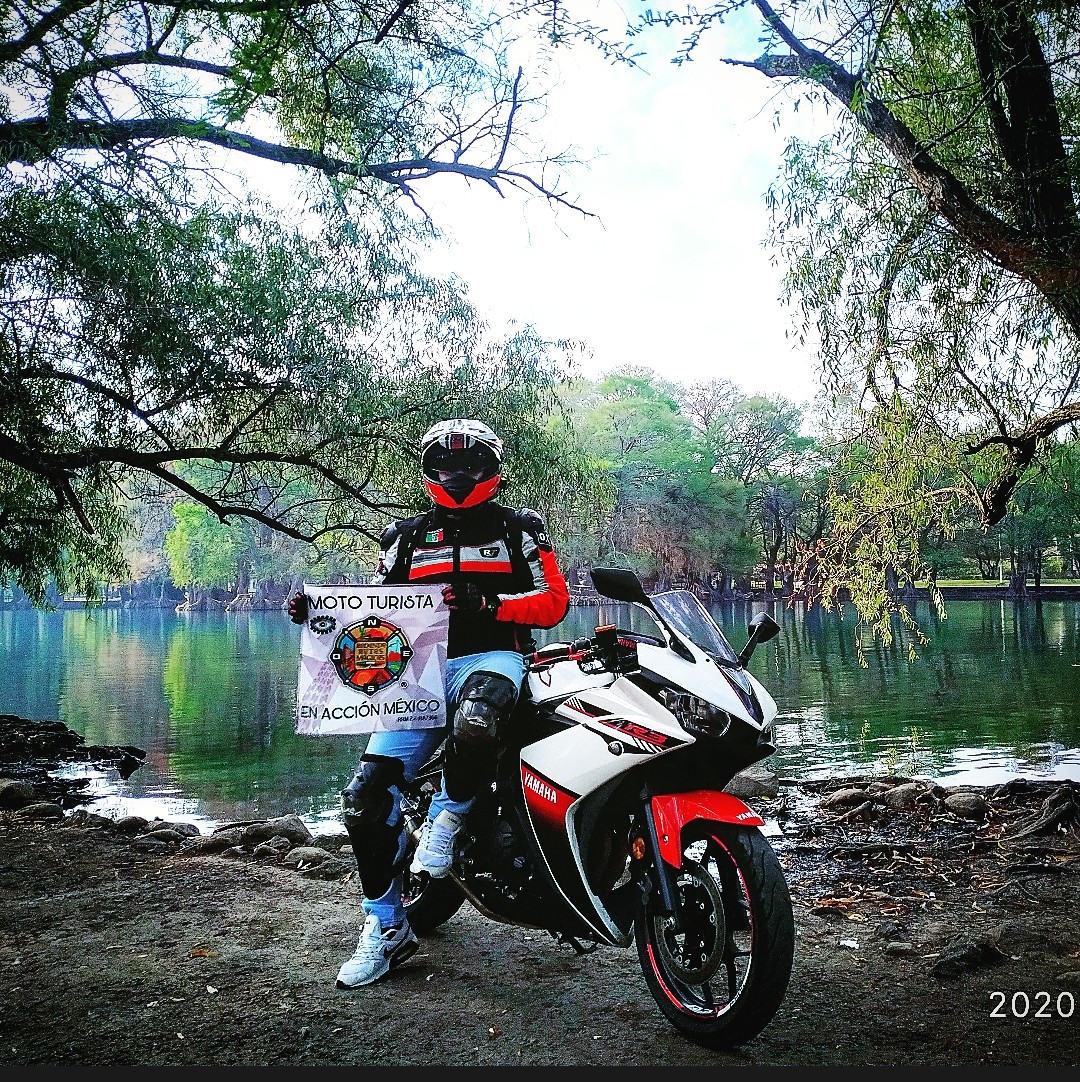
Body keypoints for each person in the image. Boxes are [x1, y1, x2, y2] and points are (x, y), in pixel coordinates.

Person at [288, 418, 570, 989]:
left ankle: (451, 813)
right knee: (365, 798)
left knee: (478, 717)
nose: (458, 475)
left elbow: (555, 603)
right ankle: (385, 928)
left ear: (493, 469)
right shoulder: (405, 536)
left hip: (492, 660)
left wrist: (490, 603)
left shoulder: (523, 530)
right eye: (445, 465)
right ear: (429, 470)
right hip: (415, 673)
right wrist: (320, 613)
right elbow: (376, 606)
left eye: (470, 465)